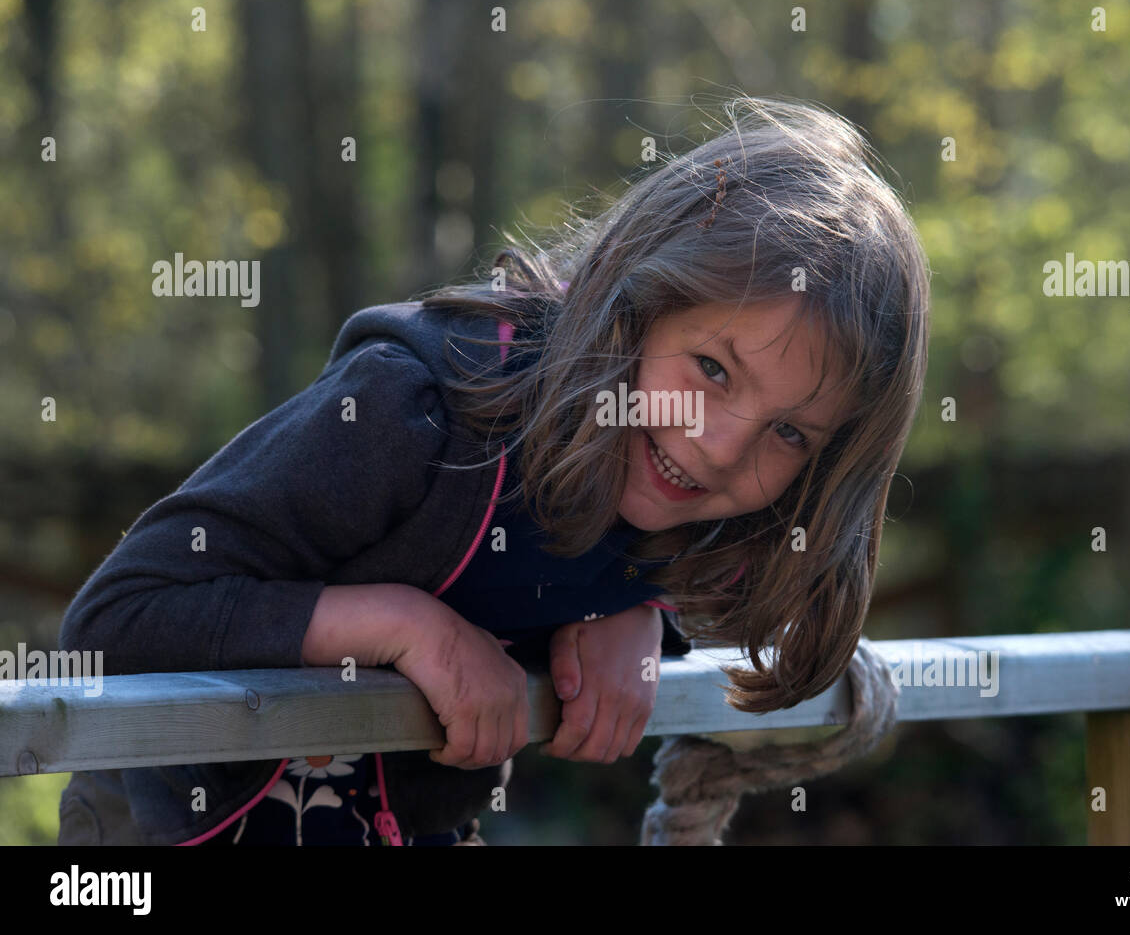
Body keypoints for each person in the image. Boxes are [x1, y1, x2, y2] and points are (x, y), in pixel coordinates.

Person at [55, 95, 930, 845]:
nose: (720, 445)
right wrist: (403, 627)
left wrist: (643, 610)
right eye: (710, 369)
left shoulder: (698, 501)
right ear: (637, 302)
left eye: (789, 433)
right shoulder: (413, 410)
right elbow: (117, 617)